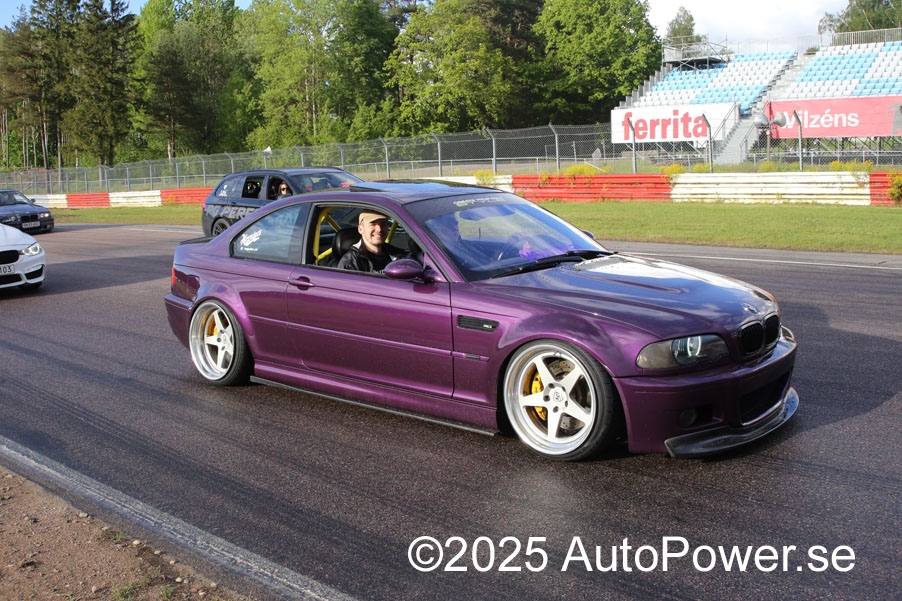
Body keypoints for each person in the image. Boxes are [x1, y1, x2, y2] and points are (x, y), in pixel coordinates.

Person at [337, 210, 406, 273]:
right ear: (360, 229)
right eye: (372, 224)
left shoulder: (398, 254)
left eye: (383, 224)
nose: (379, 229)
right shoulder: (350, 263)